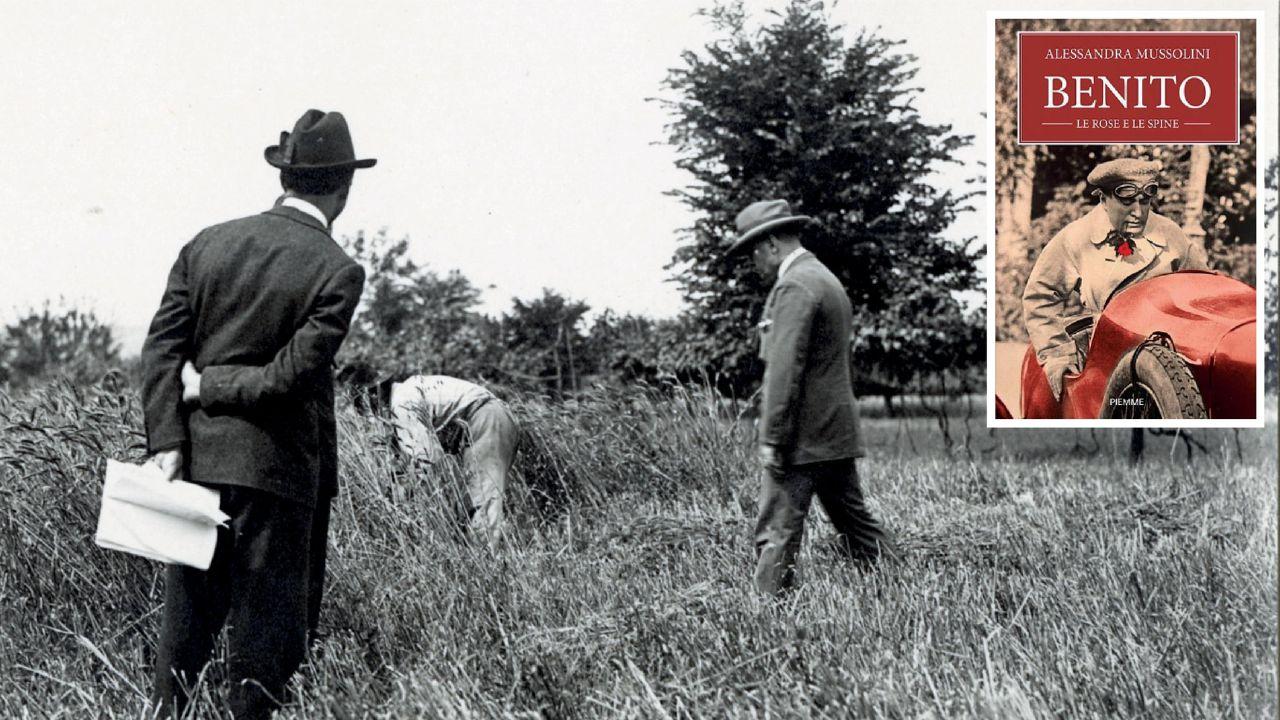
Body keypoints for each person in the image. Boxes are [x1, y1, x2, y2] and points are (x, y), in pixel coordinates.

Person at [140, 109, 373, 719]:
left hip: (194, 468)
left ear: (286, 178)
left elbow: (161, 348)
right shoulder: (338, 270)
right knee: (263, 656)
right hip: (279, 480)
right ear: (344, 189)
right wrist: (208, 387)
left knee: (182, 645)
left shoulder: (207, 243)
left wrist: (166, 441)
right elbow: (288, 378)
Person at [724, 199, 894, 596]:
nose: (753, 262)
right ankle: (901, 586)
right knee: (856, 524)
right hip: (834, 430)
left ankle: (768, 615)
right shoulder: (823, 278)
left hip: (802, 434)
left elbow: (784, 370)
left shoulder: (794, 285)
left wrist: (772, 437)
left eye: (752, 251)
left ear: (770, 245)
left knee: (777, 530)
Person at [1022, 158, 1209, 400]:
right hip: (1105, 359)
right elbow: (1040, 297)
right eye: (1127, 202)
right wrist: (1059, 354)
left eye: (1145, 201)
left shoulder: (1170, 234)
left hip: (1169, 358)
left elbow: (1203, 291)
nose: (1139, 212)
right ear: (1103, 199)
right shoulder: (1077, 238)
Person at [344, 368, 520, 549]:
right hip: (488, 419)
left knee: (482, 502)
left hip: (486, 420)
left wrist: (403, 499)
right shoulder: (407, 392)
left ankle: (486, 563)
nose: (372, 417)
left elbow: (427, 460)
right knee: (472, 501)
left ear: (373, 397)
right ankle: (480, 555)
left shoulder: (402, 403)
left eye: (365, 407)